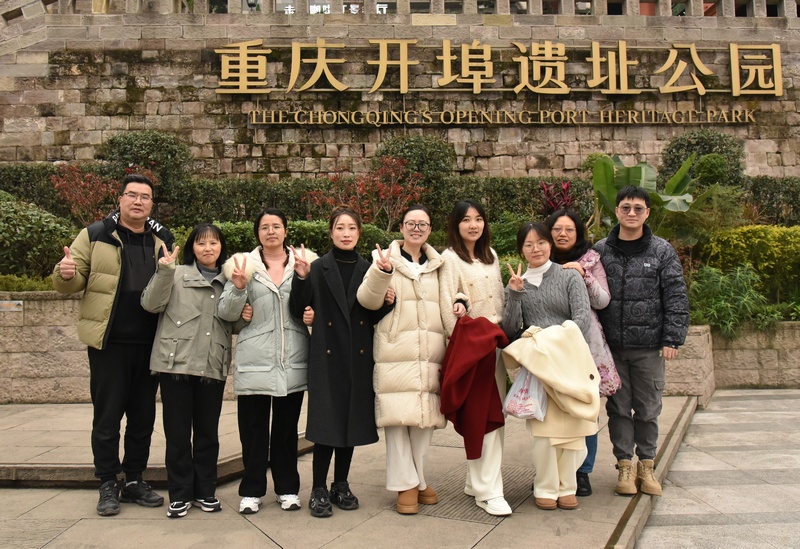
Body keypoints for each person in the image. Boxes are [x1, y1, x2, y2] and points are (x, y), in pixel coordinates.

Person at [52, 174, 172, 516]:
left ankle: (134, 479)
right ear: (120, 199)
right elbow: (71, 281)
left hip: (149, 344)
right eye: (132, 195)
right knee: (107, 417)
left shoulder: (162, 239)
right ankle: (107, 481)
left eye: (145, 197)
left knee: (143, 418)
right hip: (109, 344)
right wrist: (65, 273)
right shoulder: (95, 234)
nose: (138, 201)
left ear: (151, 204)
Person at [289, 206, 393, 518]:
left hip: (358, 357)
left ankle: (341, 484)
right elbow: (298, 308)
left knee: (351, 423)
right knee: (327, 424)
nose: (345, 234)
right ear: (331, 232)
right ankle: (318, 488)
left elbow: (370, 315)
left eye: (351, 228)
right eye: (339, 228)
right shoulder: (317, 267)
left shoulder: (369, 269)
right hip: (327, 355)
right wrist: (301, 277)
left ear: (359, 232)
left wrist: (388, 303)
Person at [217, 208, 317, 516]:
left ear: (286, 230)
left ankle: (287, 488)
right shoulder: (242, 265)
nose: (271, 231)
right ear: (257, 233)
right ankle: (251, 490)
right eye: (264, 227)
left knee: (286, 432)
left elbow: (315, 304)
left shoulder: (305, 262)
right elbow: (226, 312)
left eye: (276, 226)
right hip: (255, 360)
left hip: (292, 359)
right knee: (253, 432)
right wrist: (238, 289)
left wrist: (312, 309)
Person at [594, 186, 690, 497]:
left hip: (649, 348)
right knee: (619, 409)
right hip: (612, 349)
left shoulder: (662, 251)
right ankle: (624, 465)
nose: (631, 213)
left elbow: (676, 296)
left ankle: (646, 466)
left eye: (638, 208)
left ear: (647, 213)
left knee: (648, 410)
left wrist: (672, 338)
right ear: (617, 211)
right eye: (626, 207)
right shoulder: (600, 251)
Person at [141, 223, 237, 518]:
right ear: (192, 247)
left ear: (221, 247)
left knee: (208, 433)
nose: (208, 248)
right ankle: (180, 493)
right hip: (176, 366)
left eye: (214, 243)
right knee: (178, 434)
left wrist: (244, 307)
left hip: (211, 364)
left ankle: (206, 490)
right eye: (201, 243)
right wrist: (164, 271)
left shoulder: (231, 279)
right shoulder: (176, 273)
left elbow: (236, 322)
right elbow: (150, 304)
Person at [356, 205, 447, 515]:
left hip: (430, 351)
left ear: (430, 229)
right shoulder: (384, 260)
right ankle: (404, 484)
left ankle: (418, 480)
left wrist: (460, 302)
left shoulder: (439, 264)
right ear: (401, 227)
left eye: (423, 224)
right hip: (395, 350)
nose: (416, 228)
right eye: (411, 223)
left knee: (424, 420)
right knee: (397, 420)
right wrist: (381, 273)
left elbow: (451, 296)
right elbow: (367, 300)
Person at [500, 221, 594, 511]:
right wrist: (515, 294)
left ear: (550, 244)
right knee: (543, 430)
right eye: (528, 245)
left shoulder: (568, 276)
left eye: (541, 242)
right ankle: (545, 486)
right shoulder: (517, 283)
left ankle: (567, 486)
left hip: (569, 360)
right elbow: (509, 329)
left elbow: (582, 318)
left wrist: (553, 341)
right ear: (522, 250)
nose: (536, 249)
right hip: (539, 366)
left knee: (573, 427)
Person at [438, 199, 512, 517]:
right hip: (472, 349)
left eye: (479, 219)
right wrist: (460, 343)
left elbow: (500, 301)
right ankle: (489, 492)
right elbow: (446, 307)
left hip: (495, 347)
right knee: (484, 419)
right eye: (466, 219)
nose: (473, 225)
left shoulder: (491, 256)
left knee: (492, 417)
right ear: (456, 225)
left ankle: (475, 482)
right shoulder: (449, 258)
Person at [544, 209, 620, 498]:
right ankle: (554, 470)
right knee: (554, 409)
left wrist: (583, 274)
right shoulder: (542, 260)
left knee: (587, 410)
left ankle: (582, 471)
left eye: (569, 229)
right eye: (557, 229)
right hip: (552, 346)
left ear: (578, 234)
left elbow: (603, 300)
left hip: (585, 344)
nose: (562, 234)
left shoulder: (590, 260)